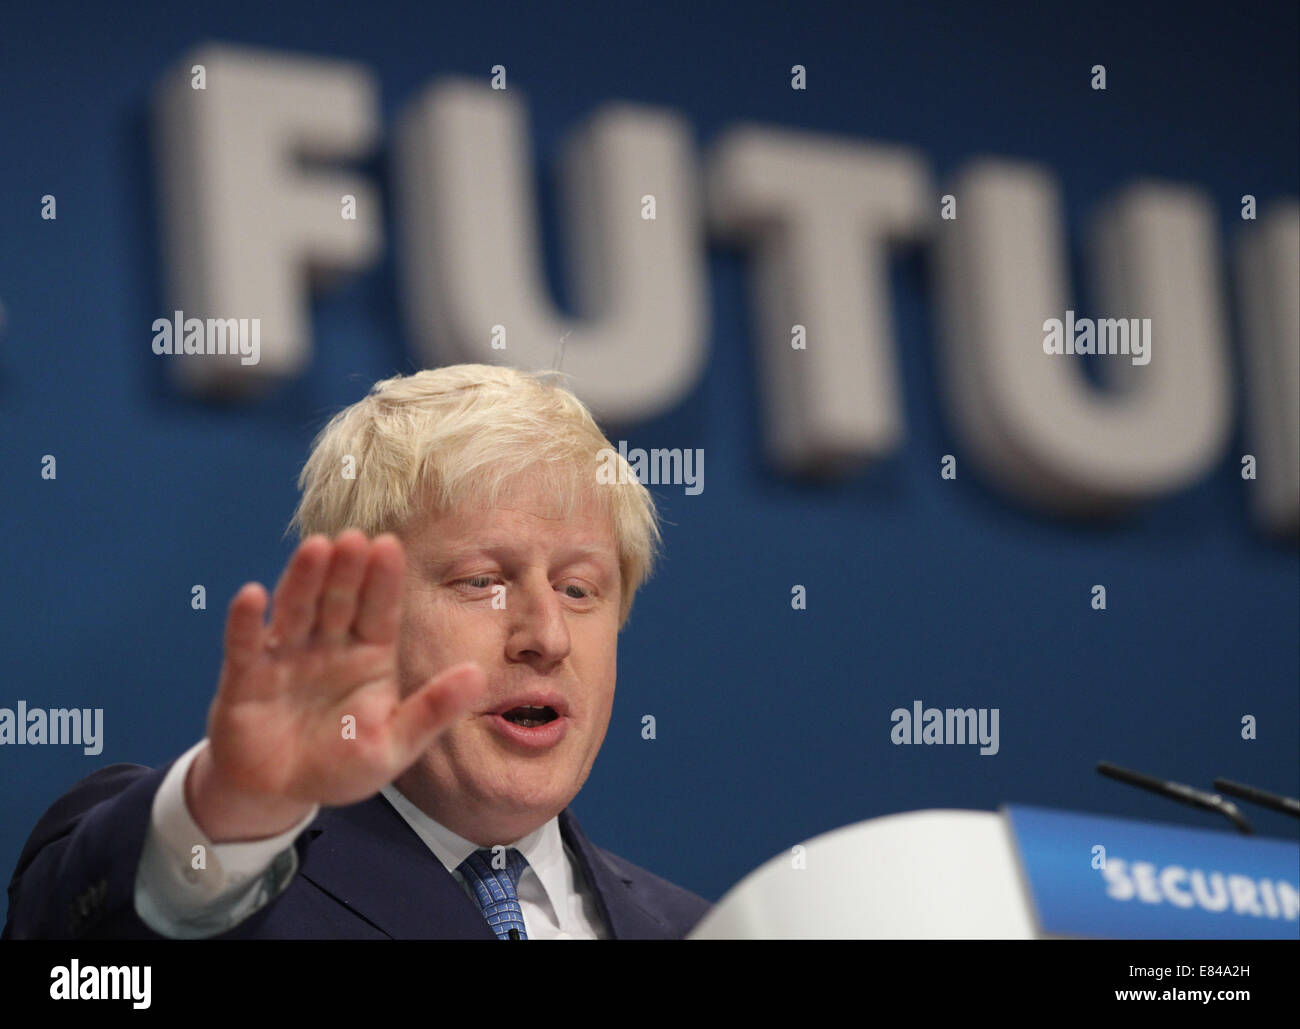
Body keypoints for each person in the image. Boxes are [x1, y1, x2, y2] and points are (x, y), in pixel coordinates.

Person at [4, 364, 709, 939]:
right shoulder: (232, 874)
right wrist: (231, 808)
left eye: (580, 589)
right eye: (482, 581)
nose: (547, 637)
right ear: (358, 608)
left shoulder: (703, 930)